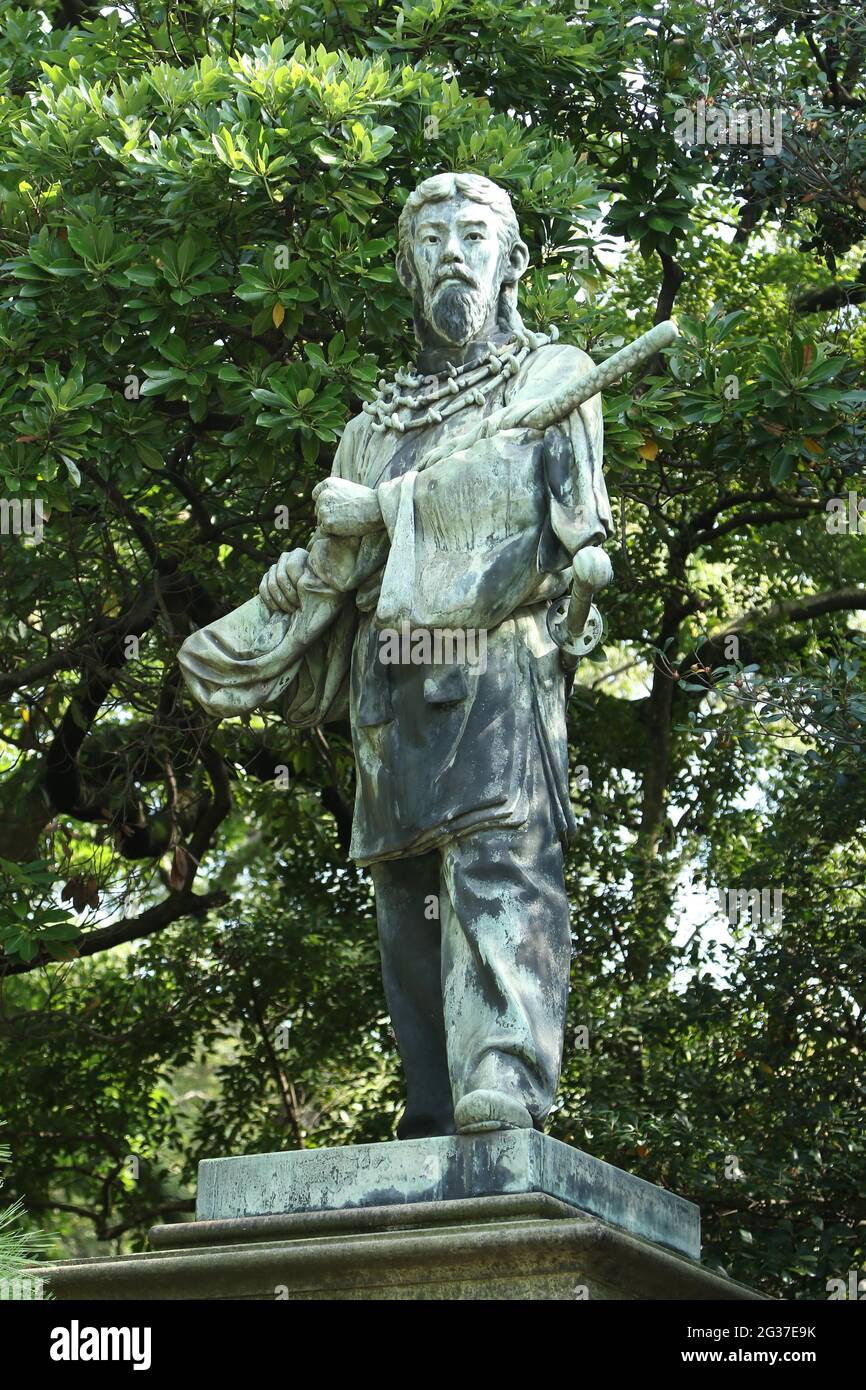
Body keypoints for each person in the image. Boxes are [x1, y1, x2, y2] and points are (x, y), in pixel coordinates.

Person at [178, 171, 612, 1139]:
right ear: (403, 269)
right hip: (390, 685)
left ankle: (502, 1074)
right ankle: (428, 1097)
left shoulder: (553, 377)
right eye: (429, 239)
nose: (451, 252)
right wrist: (309, 579)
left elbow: (543, 519)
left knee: (498, 871)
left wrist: (386, 511)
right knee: (402, 901)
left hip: (495, 664)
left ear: (511, 262)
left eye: (472, 234)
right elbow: (346, 567)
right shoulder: (367, 429)